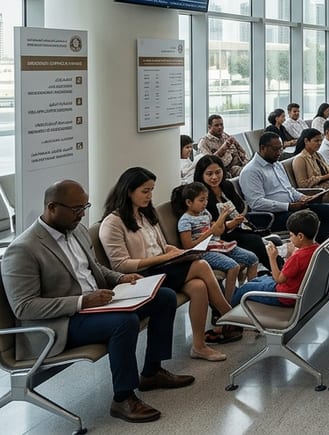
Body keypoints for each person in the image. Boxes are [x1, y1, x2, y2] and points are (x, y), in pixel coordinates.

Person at [2, 180, 193, 424]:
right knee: (124, 322)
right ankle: (123, 398)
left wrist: (121, 277)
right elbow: (25, 306)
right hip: (61, 323)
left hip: (97, 304)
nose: (82, 214)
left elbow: (94, 268)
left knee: (163, 297)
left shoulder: (77, 230)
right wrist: (82, 302)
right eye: (76, 209)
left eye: (85, 207)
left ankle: (152, 371)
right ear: (51, 207)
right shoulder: (23, 250)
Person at [98, 167, 241, 362]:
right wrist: (164, 258)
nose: (150, 195)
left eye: (151, 190)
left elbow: (160, 246)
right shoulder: (112, 223)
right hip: (141, 277)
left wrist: (174, 252)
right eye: (145, 191)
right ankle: (228, 313)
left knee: (198, 286)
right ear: (128, 191)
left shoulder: (146, 215)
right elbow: (121, 265)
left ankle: (199, 346)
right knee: (200, 266)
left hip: (161, 268)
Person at [238, 132, 329, 242]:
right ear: (262, 148)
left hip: (291, 209)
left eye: (280, 149)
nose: (279, 153)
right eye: (275, 149)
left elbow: (289, 189)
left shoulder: (277, 164)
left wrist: (303, 197)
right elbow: (256, 203)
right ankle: (307, 251)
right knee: (307, 219)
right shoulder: (251, 171)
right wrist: (288, 206)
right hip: (272, 216)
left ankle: (319, 246)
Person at [173, 182, 259, 304]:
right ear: (189, 202)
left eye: (206, 199)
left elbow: (218, 231)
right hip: (203, 251)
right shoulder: (185, 220)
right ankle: (230, 302)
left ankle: (250, 292)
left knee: (253, 258)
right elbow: (189, 246)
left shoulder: (205, 213)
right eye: (201, 200)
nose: (205, 203)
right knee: (233, 266)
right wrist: (211, 231)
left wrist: (223, 219)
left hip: (217, 244)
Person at [192, 154, 273, 268]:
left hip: (241, 227)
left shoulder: (227, 185)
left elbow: (241, 206)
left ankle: (279, 269)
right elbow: (209, 225)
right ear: (201, 175)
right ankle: (275, 270)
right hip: (220, 235)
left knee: (262, 241)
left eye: (218, 172)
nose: (214, 177)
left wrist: (239, 218)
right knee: (255, 241)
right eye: (209, 174)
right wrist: (230, 224)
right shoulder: (200, 195)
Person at [230, 209, 320, 307]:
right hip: (295, 290)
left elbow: (278, 279)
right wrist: (289, 255)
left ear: (300, 236)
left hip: (283, 296)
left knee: (244, 289)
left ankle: (227, 312)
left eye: (291, 235)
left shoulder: (298, 257)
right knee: (259, 280)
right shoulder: (317, 249)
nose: (290, 239)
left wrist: (272, 257)